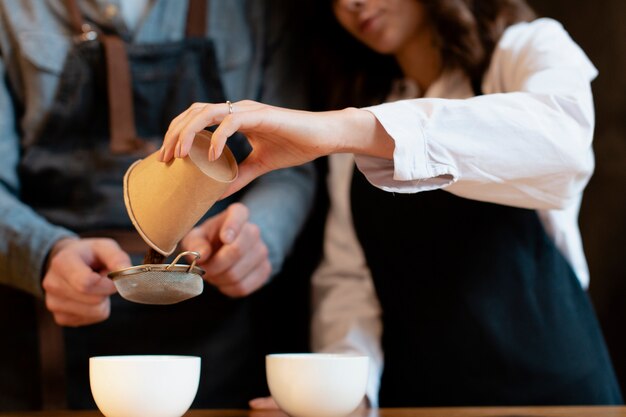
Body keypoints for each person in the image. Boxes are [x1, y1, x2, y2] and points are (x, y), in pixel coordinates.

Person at [161, 0, 624, 407]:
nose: (353, 4)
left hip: (556, 392)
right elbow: (351, 281)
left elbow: (564, 144)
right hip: (420, 397)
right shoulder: (369, 107)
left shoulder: (526, 48)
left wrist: (343, 129)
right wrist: (349, 395)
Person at [0, 0, 316, 410]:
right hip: (53, 324)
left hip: (216, 318)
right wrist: (43, 253)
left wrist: (261, 234)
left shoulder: (256, 10)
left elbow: (290, 167)